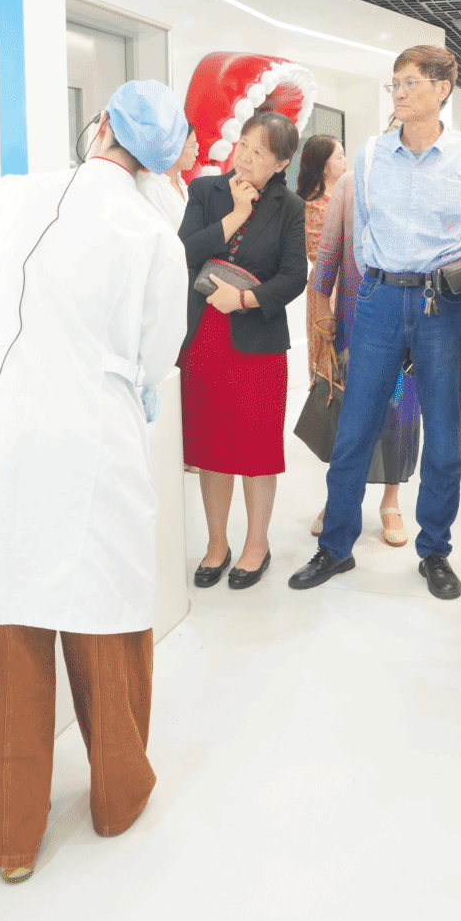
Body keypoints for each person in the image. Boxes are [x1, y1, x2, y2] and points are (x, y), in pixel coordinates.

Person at [0, 80, 191, 884]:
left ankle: (8, 839)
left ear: (98, 127)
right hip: (97, 435)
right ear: (161, 163)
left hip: (3, 428)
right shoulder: (155, 235)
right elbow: (158, 355)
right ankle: (118, 798)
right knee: (107, 618)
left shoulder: (22, 195)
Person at [290, 46, 461, 600]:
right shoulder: (372, 155)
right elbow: (360, 235)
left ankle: (435, 551)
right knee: (355, 427)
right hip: (378, 299)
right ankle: (336, 546)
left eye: (410, 83)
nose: (399, 93)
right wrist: (368, 287)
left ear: (442, 89)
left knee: (444, 436)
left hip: (441, 306)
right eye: (394, 84)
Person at [179, 111, 309, 592]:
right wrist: (234, 215)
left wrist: (246, 299)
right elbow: (184, 251)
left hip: (256, 342)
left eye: (260, 151)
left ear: (282, 163)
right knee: (211, 448)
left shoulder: (289, 206)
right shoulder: (205, 191)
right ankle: (217, 544)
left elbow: (294, 276)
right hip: (204, 337)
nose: (247, 157)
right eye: (245, 145)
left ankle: (257, 544)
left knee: (256, 449)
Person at [309, 146, 421, 546]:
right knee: (347, 413)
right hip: (353, 318)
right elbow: (328, 251)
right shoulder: (350, 183)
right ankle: (339, 499)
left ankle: (391, 500)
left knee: (400, 411)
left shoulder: (424, 183)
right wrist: (321, 306)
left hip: (408, 321)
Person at [296, 134, 349, 393]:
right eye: (339, 156)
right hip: (327, 289)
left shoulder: (345, 195)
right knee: (329, 358)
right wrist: (328, 299)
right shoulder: (315, 204)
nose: (345, 160)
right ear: (323, 166)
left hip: (351, 284)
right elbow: (319, 256)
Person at [136, 127, 199, 226]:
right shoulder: (149, 189)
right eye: (193, 146)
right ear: (175, 146)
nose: (196, 153)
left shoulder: (183, 186)